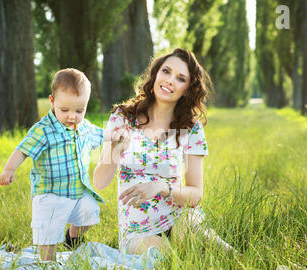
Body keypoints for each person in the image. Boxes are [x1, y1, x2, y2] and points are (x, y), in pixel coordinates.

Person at [93, 48, 237, 255]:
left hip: (179, 219)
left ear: (188, 89)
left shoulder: (190, 128)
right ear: (155, 74)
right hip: (138, 230)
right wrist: (114, 149)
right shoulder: (122, 118)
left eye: (180, 78)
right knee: (166, 261)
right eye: (166, 71)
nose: (170, 80)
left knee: (224, 254)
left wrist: (162, 187)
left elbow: (195, 195)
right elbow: (99, 182)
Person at [0, 68, 104, 261]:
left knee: (90, 212)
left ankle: (72, 239)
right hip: (49, 194)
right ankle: (47, 266)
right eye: (65, 110)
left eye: (79, 110)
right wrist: (9, 169)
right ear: (53, 101)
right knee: (47, 235)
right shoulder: (43, 130)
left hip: (77, 191)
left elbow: (104, 136)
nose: (72, 116)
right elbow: (23, 150)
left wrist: (119, 136)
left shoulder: (85, 126)